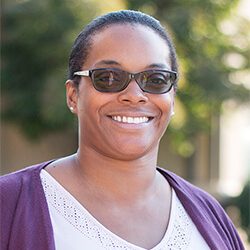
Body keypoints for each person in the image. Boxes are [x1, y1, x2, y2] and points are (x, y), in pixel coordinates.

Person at [0, 10, 244, 250]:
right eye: (108, 78)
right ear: (73, 95)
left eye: (156, 79)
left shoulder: (210, 217)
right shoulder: (9, 206)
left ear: (171, 98)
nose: (134, 95)